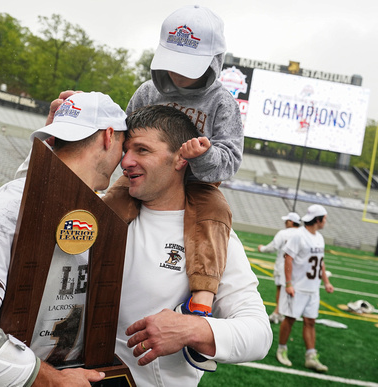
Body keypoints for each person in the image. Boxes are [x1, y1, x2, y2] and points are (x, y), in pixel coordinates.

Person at [0, 92, 129, 387]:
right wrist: (49, 380)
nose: (125, 157)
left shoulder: (81, 206)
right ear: (109, 136)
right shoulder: (12, 204)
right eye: (124, 143)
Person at [106, 5, 243, 356]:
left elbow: (230, 159)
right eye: (174, 61)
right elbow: (126, 134)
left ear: (214, 61)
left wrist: (204, 156)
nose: (179, 74)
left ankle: (201, 300)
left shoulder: (222, 102)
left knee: (215, 213)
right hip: (143, 177)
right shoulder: (147, 92)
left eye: (191, 64)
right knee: (109, 204)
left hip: (197, 184)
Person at [115, 105, 271, 384]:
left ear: (180, 158)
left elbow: (259, 334)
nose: (126, 161)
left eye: (142, 150)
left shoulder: (211, 235)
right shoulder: (102, 215)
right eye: (125, 150)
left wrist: (191, 329)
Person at [276, 204, 334, 373]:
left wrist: (326, 281)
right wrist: (288, 283)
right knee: (290, 319)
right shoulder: (299, 235)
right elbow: (288, 259)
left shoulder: (319, 238)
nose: (325, 222)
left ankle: (311, 356)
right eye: (324, 218)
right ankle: (282, 349)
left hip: (313, 288)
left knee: (310, 321)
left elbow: (320, 262)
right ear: (318, 219)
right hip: (298, 287)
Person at [258, 212, 301, 324]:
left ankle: (278, 313)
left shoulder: (283, 233)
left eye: (286, 221)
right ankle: (282, 312)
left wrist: (262, 249)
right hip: (297, 268)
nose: (285, 223)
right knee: (288, 290)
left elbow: (273, 247)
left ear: (291, 222)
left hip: (283, 266)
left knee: (281, 289)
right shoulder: (302, 234)